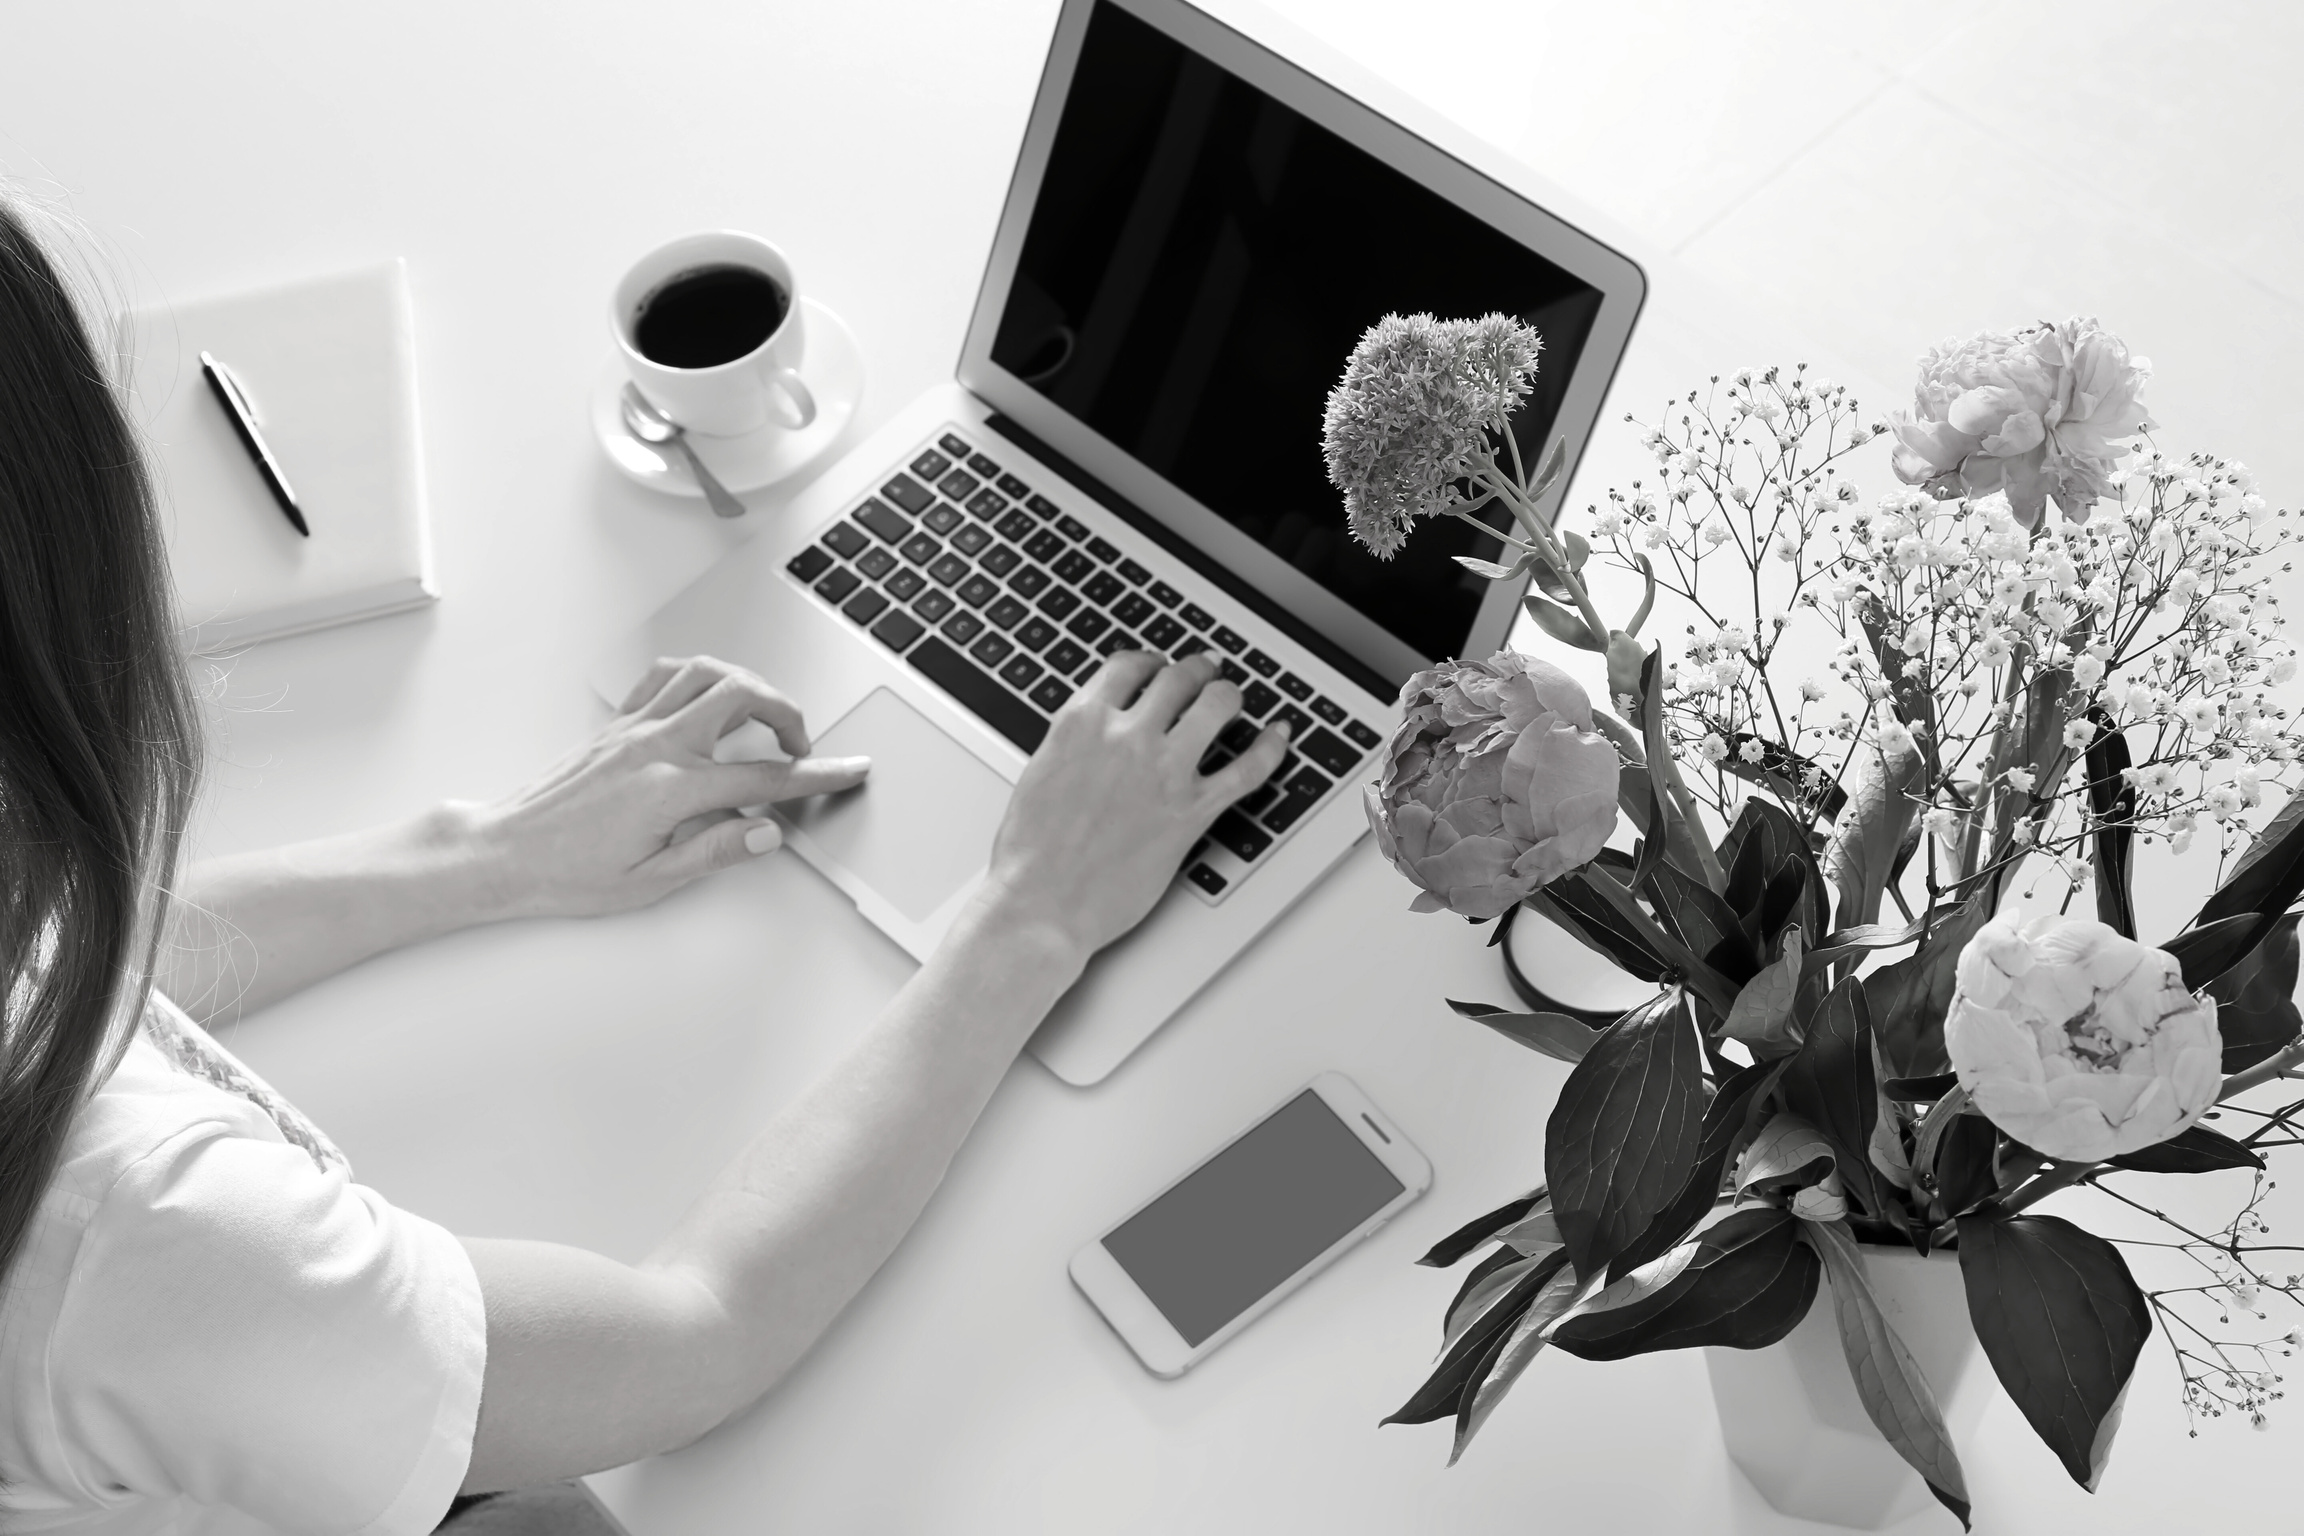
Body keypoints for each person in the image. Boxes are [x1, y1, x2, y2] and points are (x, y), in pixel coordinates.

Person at [0, 196, 1291, 1533]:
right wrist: (1026, 918)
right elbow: (691, 1345)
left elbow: (55, 976)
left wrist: (487, 853)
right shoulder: (135, 1242)